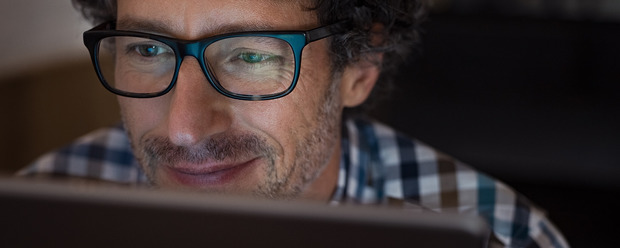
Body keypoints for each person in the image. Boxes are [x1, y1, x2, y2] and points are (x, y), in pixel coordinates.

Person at [19, 0, 568, 247]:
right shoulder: (32, 213)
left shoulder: (503, 237)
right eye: (146, 47)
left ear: (360, 65)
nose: (183, 128)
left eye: (252, 56)